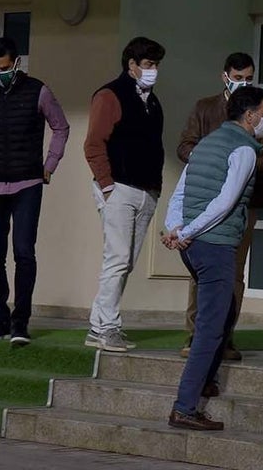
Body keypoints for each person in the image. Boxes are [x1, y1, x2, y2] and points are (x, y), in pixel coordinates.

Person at [162, 87, 263, 431]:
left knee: (223, 313)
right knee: (209, 329)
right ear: (250, 116)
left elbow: (180, 191)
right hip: (214, 245)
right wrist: (186, 230)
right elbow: (226, 202)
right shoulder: (244, 150)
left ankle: (206, 381)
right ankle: (184, 408)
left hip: (193, 246)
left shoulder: (206, 143)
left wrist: (175, 227)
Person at [176, 52, 263, 361]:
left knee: (233, 271)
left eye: (248, 78)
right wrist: (215, 159)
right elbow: (184, 146)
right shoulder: (205, 107)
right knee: (201, 268)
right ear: (225, 76)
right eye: (238, 78)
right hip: (204, 197)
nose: (243, 83)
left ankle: (226, 336)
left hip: (245, 202)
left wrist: (242, 164)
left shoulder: (262, 111)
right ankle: (196, 333)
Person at [0, 37, 70, 346]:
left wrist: (50, 164)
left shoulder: (39, 91)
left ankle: (20, 323)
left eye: (5, 68)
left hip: (27, 184)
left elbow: (61, 127)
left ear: (17, 63)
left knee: (24, 252)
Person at [82, 37, 166, 352]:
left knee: (125, 262)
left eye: (156, 65)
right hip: (119, 188)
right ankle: (107, 328)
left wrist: (156, 188)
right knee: (117, 259)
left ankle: (98, 326)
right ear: (132, 65)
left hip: (146, 191)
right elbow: (94, 144)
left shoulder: (153, 102)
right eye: (148, 64)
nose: (154, 70)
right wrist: (107, 186)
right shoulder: (110, 95)